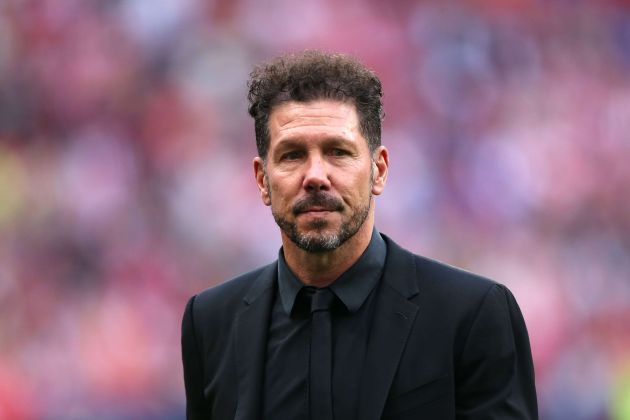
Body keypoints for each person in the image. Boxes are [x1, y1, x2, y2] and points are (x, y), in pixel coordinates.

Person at [181, 50, 538, 420]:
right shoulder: (210, 322)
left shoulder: (471, 314)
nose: (315, 175)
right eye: (292, 155)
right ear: (262, 180)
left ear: (378, 170)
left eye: (338, 152)